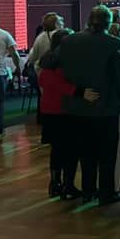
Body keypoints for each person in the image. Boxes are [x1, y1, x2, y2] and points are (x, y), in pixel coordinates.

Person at [58, 5, 120, 205]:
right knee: (107, 155)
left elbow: (51, 66)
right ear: (109, 23)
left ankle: (88, 190)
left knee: (85, 152)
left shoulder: (68, 41)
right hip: (106, 106)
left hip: (77, 107)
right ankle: (106, 193)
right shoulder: (115, 43)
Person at [37, 29, 83, 198]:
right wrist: (78, 91)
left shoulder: (47, 59)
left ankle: (55, 183)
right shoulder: (65, 61)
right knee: (71, 149)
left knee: (56, 149)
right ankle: (68, 185)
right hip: (66, 109)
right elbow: (62, 85)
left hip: (49, 110)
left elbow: (43, 81)